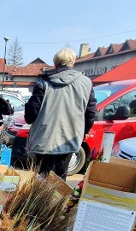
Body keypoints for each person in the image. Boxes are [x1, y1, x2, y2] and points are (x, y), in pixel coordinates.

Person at [24, 47, 97, 179]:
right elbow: (91, 112)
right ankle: (58, 200)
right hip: (70, 137)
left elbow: (30, 115)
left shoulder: (43, 83)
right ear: (73, 63)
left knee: (42, 179)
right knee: (60, 178)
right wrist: (84, 131)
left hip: (44, 139)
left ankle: (43, 200)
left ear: (55, 63)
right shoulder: (86, 83)